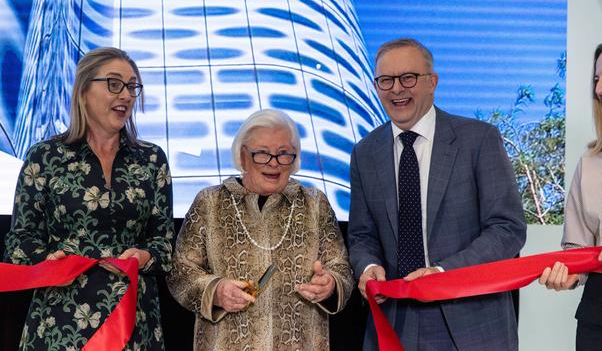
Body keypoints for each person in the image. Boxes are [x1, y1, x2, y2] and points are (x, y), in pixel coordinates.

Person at [347, 38, 527, 351]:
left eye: (408, 78)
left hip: (471, 323)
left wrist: (443, 275)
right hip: (392, 323)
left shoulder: (479, 140)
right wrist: (367, 267)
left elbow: (507, 228)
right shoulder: (364, 153)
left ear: (432, 82)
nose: (396, 89)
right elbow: (362, 235)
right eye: (385, 80)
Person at [4, 47, 174, 350]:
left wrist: (144, 256)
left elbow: (164, 242)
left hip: (134, 322)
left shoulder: (152, 159)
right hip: (61, 322)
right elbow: (19, 242)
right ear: (83, 91)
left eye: (132, 86)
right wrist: (47, 261)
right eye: (114, 84)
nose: (126, 95)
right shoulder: (45, 156)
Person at [166, 109, 353, 350]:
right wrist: (216, 291)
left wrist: (331, 284)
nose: (274, 163)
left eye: (284, 154)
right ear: (242, 156)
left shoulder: (314, 203)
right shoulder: (210, 203)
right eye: (263, 154)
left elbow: (341, 268)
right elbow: (180, 272)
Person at [539, 43, 602, 350]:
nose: (600, 89)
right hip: (597, 319)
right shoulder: (589, 164)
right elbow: (578, 247)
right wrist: (570, 275)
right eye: (596, 79)